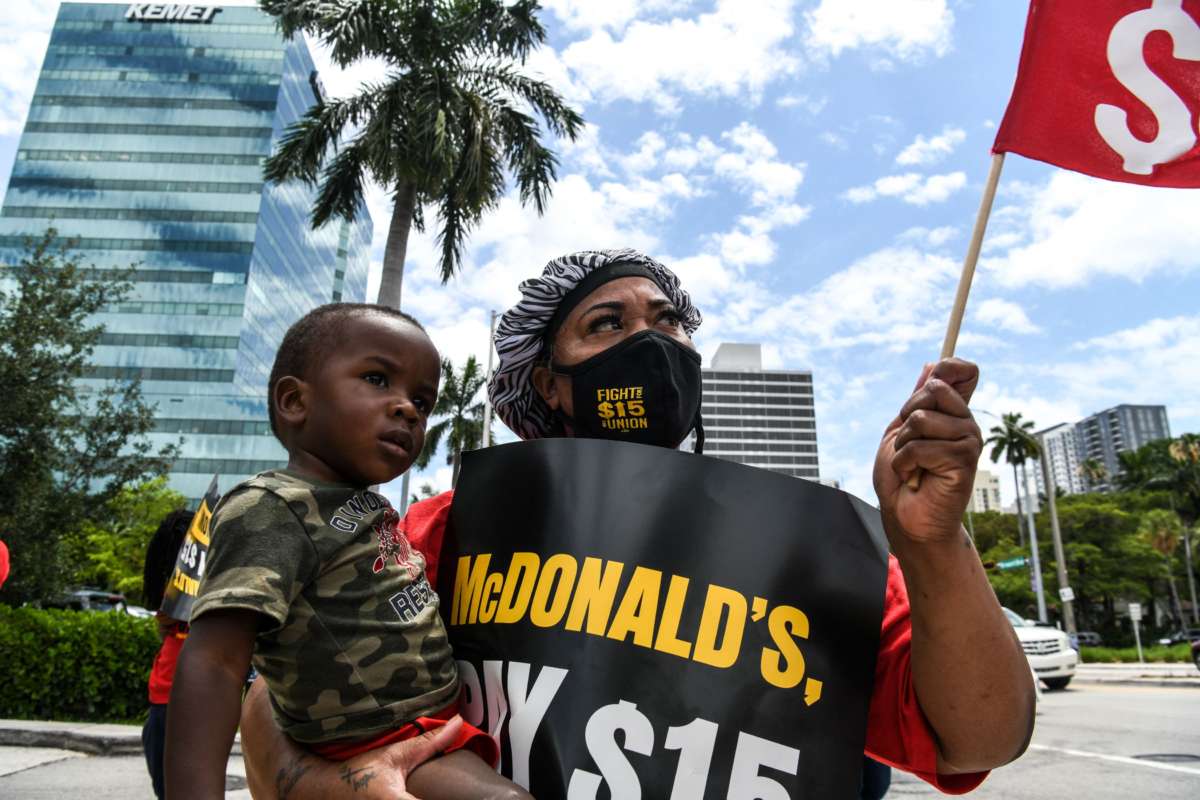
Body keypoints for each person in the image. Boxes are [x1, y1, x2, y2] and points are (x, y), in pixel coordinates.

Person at [238, 249, 1035, 798]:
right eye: (607, 325)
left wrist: (932, 545)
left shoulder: (800, 546)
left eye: (666, 321)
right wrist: (319, 786)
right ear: (549, 385)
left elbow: (978, 739)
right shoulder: (452, 530)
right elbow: (280, 690)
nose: (649, 343)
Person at [164, 304, 531, 800]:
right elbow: (216, 662)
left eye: (422, 403)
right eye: (378, 379)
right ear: (295, 401)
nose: (407, 408)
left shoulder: (361, 505)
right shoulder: (273, 507)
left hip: (428, 728)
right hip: (381, 744)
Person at [141, 508, 194, 800]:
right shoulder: (177, 591)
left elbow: (162, 624)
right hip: (174, 695)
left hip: (172, 694)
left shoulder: (171, 590)